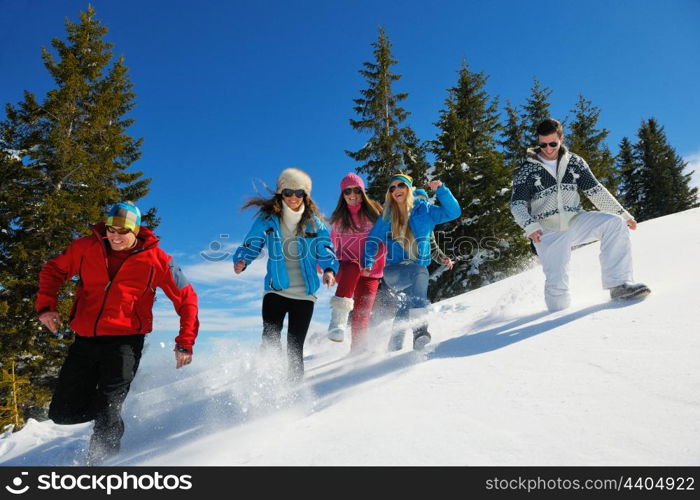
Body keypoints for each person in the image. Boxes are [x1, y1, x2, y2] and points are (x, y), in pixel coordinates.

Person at [36, 202, 199, 465]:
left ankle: (102, 464)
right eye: (111, 229)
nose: (114, 236)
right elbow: (53, 269)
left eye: (122, 231)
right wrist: (46, 306)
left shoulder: (158, 260)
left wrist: (185, 341)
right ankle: (109, 413)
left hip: (124, 344)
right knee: (62, 413)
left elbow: (187, 299)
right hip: (85, 341)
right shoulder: (85, 248)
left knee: (109, 409)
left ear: (136, 231)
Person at [510, 118, 650, 312]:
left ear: (561, 138)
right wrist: (530, 226)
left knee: (614, 224)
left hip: (576, 221)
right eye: (543, 144)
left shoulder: (574, 162)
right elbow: (516, 205)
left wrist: (623, 215)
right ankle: (553, 322)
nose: (548, 149)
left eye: (553, 143)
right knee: (558, 293)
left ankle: (619, 284)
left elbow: (596, 191)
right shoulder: (527, 171)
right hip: (547, 231)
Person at [233, 168, 338, 382]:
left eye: (299, 193)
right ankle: (266, 383)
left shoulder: (313, 223)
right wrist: (243, 259)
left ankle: (294, 391)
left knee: (294, 346)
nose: (293, 197)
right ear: (281, 192)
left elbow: (324, 247)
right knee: (270, 339)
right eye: (288, 192)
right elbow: (253, 240)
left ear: (305, 196)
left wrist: (329, 269)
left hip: (304, 294)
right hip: (276, 289)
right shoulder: (269, 218)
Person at [362, 174, 461, 351]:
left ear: (409, 188)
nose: (396, 190)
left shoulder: (426, 211)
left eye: (400, 185)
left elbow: (454, 212)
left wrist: (441, 190)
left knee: (406, 306)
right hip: (394, 270)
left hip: (415, 271)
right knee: (420, 272)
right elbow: (372, 240)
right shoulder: (387, 216)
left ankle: (393, 348)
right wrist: (368, 262)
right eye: (392, 188)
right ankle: (420, 331)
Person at [326, 173, 386, 352]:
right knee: (352, 265)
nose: (352, 194)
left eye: (356, 190)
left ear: (362, 191)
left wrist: (370, 262)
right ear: (342, 195)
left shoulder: (375, 214)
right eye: (347, 191)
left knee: (362, 313)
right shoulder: (339, 220)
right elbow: (329, 245)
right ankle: (337, 324)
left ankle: (357, 352)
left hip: (370, 273)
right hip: (345, 269)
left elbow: (382, 244)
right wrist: (325, 266)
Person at [413, 188, 454, 270]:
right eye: (417, 199)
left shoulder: (426, 226)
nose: (421, 204)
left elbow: (433, 248)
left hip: (418, 268)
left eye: (424, 200)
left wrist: (443, 258)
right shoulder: (402, 219)